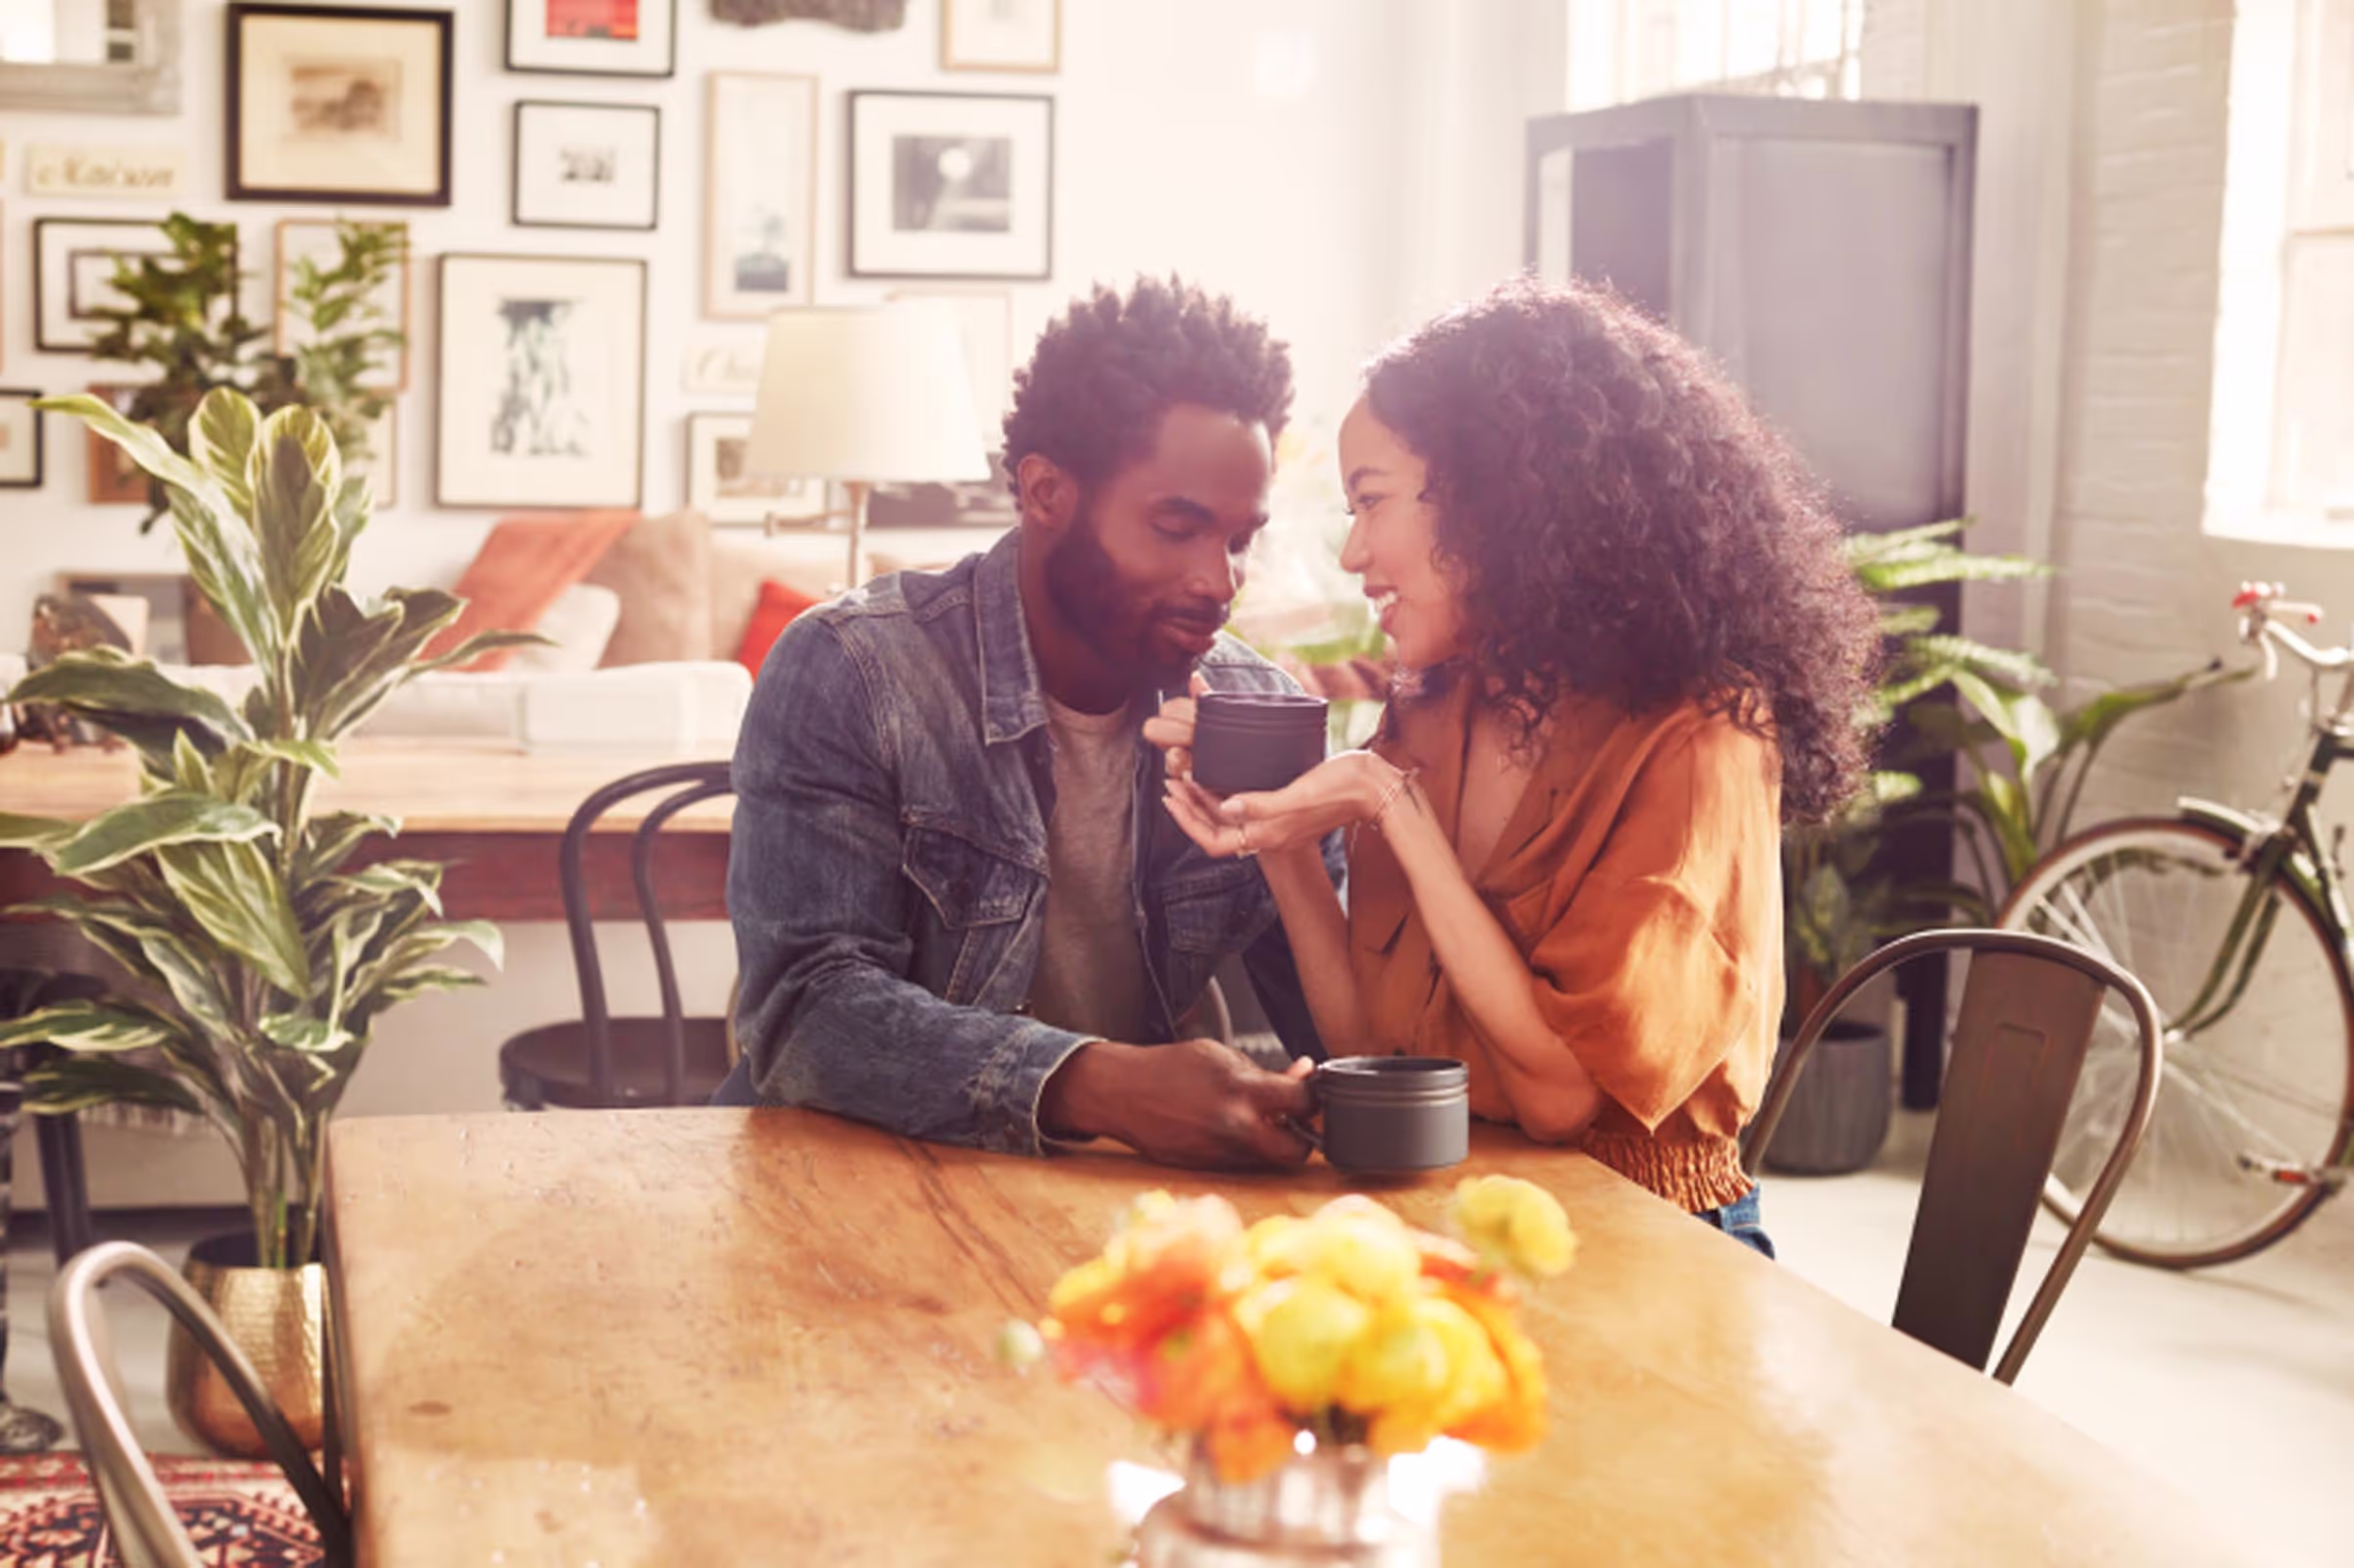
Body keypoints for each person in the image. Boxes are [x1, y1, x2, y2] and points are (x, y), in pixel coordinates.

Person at [1151, 277, 1879, 1253]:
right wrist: (1275, 832)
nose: (1357, 550)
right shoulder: (1441, 701)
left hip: (1658, 1244)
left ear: (1501, 501)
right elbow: (1371, 1051)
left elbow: (1560, 1099)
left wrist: (1386, 806)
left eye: (1373, 502)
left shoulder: (1703, 736)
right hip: (1455, 1219)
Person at [717, 277, 1342, 1171]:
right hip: (859, 1184)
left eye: (1240, 538)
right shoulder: (854, 668)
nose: (1220, 579)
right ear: (1046, 491)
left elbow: (1346, 1037)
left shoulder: (1259, 712)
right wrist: (1103, 1084)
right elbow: (805, 1013)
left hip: (1118, 1201)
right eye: (1177, 526)